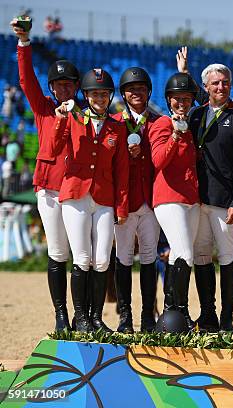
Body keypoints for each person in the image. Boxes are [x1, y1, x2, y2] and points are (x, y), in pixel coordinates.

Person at [12, 17, 79, 331]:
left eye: (69, 84)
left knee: (82, 252)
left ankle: (83, 315)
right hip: (50, 189)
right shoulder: (43, 109)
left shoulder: (86, 113)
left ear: (77, 87)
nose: (64, 88)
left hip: (79, 190)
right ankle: (61, 314)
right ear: (52, 88)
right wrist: (25, 43)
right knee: (57, 251)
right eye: (59, 84)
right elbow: (26, 81)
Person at [52, 68, 130, 332]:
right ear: (86, 95)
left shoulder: (117, 127)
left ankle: (96, 318)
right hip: (76, 195)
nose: (100, 97)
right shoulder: (73, 119)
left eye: (104, 93)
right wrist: (61, 119)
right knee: (82, 258)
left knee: (102, 260)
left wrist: (121, 206)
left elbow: (122, 170)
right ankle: (81, 317)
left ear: (109, 97)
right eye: (95, 93)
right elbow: (54, 148)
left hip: (105, 198)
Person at [188, 64, 233, 332]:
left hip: (225, 201)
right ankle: (208, 314)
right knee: (201, 255)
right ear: (205, 87)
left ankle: (227, 317)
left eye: (225, 82)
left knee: (227, 256)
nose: (221, 87)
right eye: (215, 83)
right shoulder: (196, 115)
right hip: (198, 200)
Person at [149, 73, 200, 331]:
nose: (182, 103)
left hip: (191, 198)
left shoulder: (191, 124)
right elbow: (158, 161)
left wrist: (185, 72)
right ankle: (174, 310)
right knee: (184, 253)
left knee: (181, 254)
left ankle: (177, 313)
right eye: (177, 99)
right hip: (168, 197)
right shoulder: (160, 124)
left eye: (187, 98)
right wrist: (175, 137)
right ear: (168, 100)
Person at [112, 67, 161, 333]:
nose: (136, 93)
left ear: (148, 92)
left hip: (151, 200)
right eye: (131, 89)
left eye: (141, 88)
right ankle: (125, 316)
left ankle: (147, 316)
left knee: (149, 258)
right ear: (123, 94)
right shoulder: (115, 123)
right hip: (124, 201)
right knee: (123, 258)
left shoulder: (158, 122)